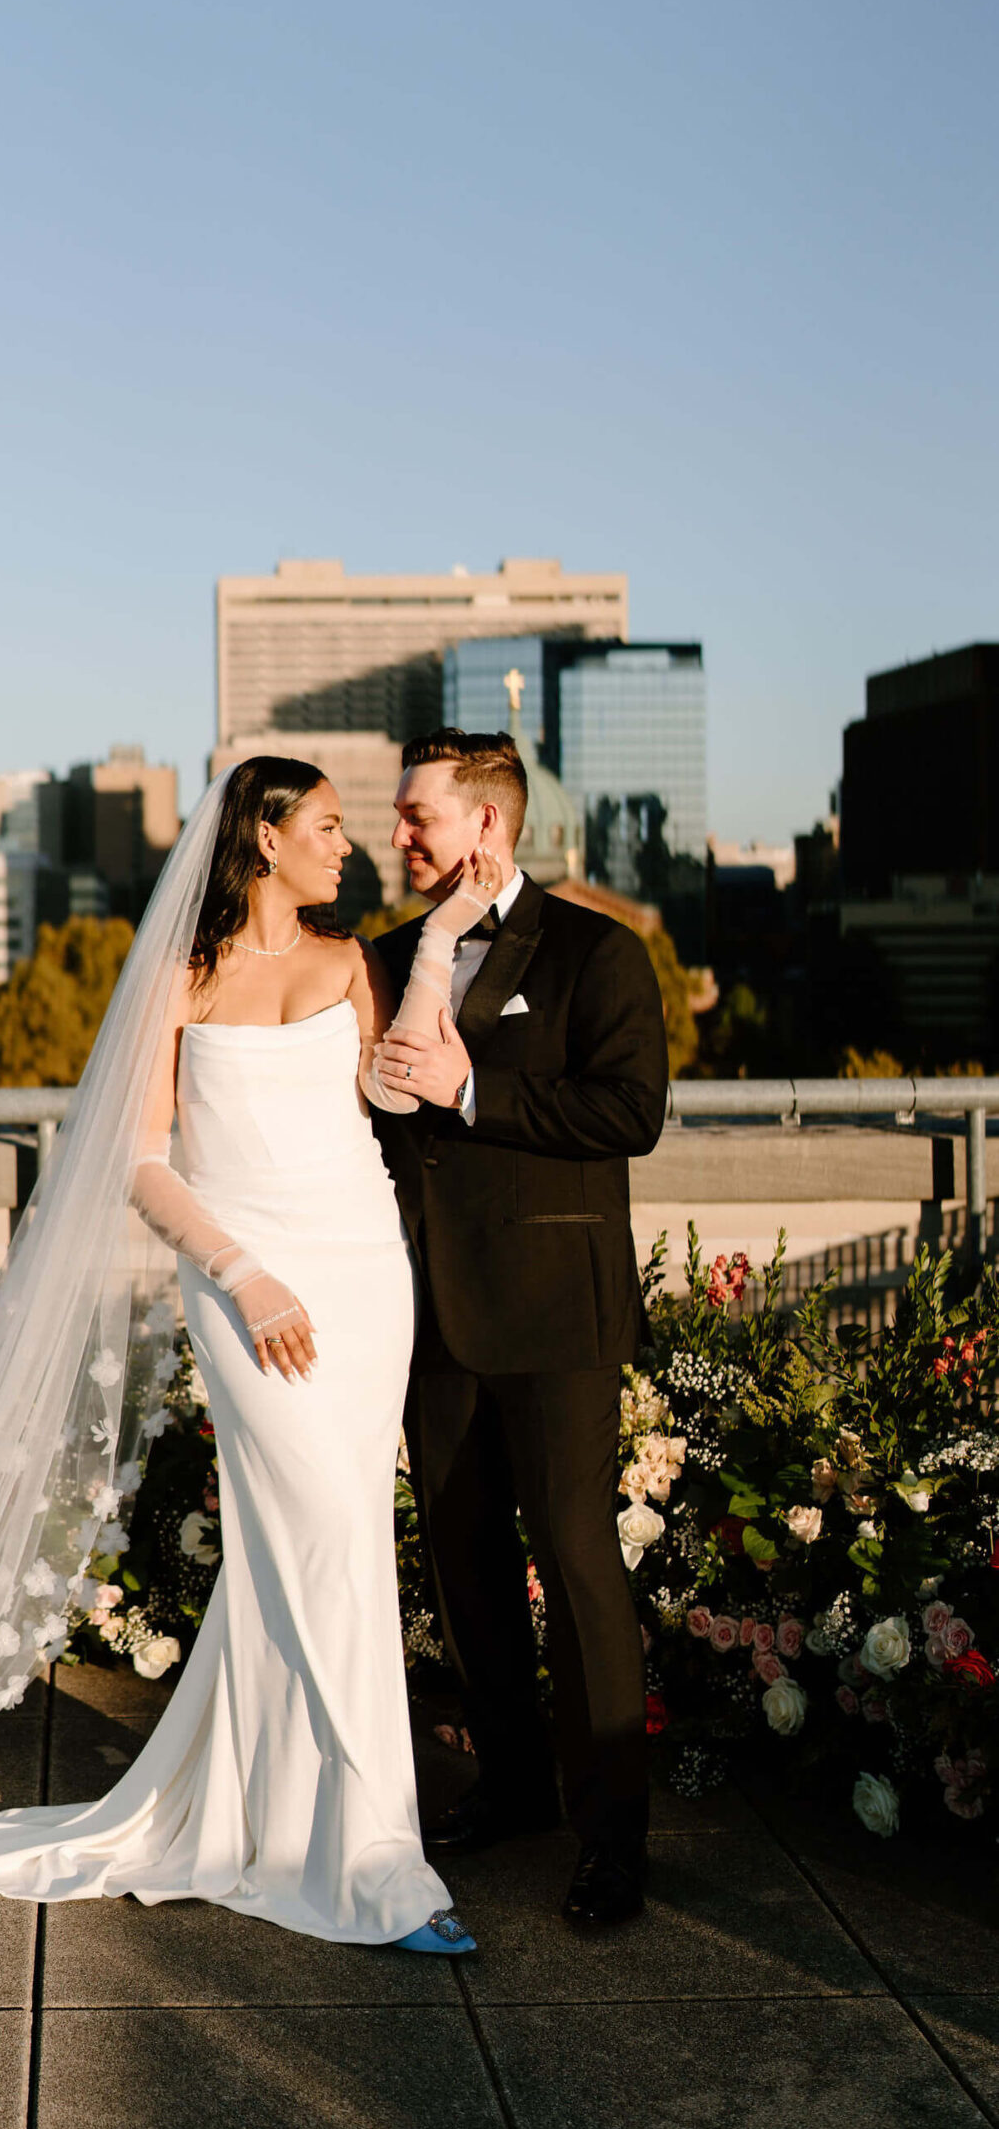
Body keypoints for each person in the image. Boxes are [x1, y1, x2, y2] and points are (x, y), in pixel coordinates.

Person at [0, 756, 496, 1951]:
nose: (345, 844)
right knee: (320, 1542)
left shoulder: (353, 961)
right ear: (263, 837)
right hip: (243, 1283)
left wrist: (439, 946)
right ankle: (376, 1860)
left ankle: (304, 1823)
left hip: (364, 1278)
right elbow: (144, 1162)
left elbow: (398, 1093)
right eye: (323, 824)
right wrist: (244, 1272)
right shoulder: (183, 974)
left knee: (332, 1545)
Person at [366, 729, 669, 1928]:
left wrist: (471, 1090)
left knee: (581, 1570)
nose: (398, 836)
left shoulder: (602, 951)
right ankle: (513, 1784)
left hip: (557, 1315)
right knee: (465, 1563)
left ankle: (612, 1839)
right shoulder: (386, 959)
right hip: (429, 1311)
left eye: (415, 815)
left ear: (485, 825)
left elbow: (629, 1111)